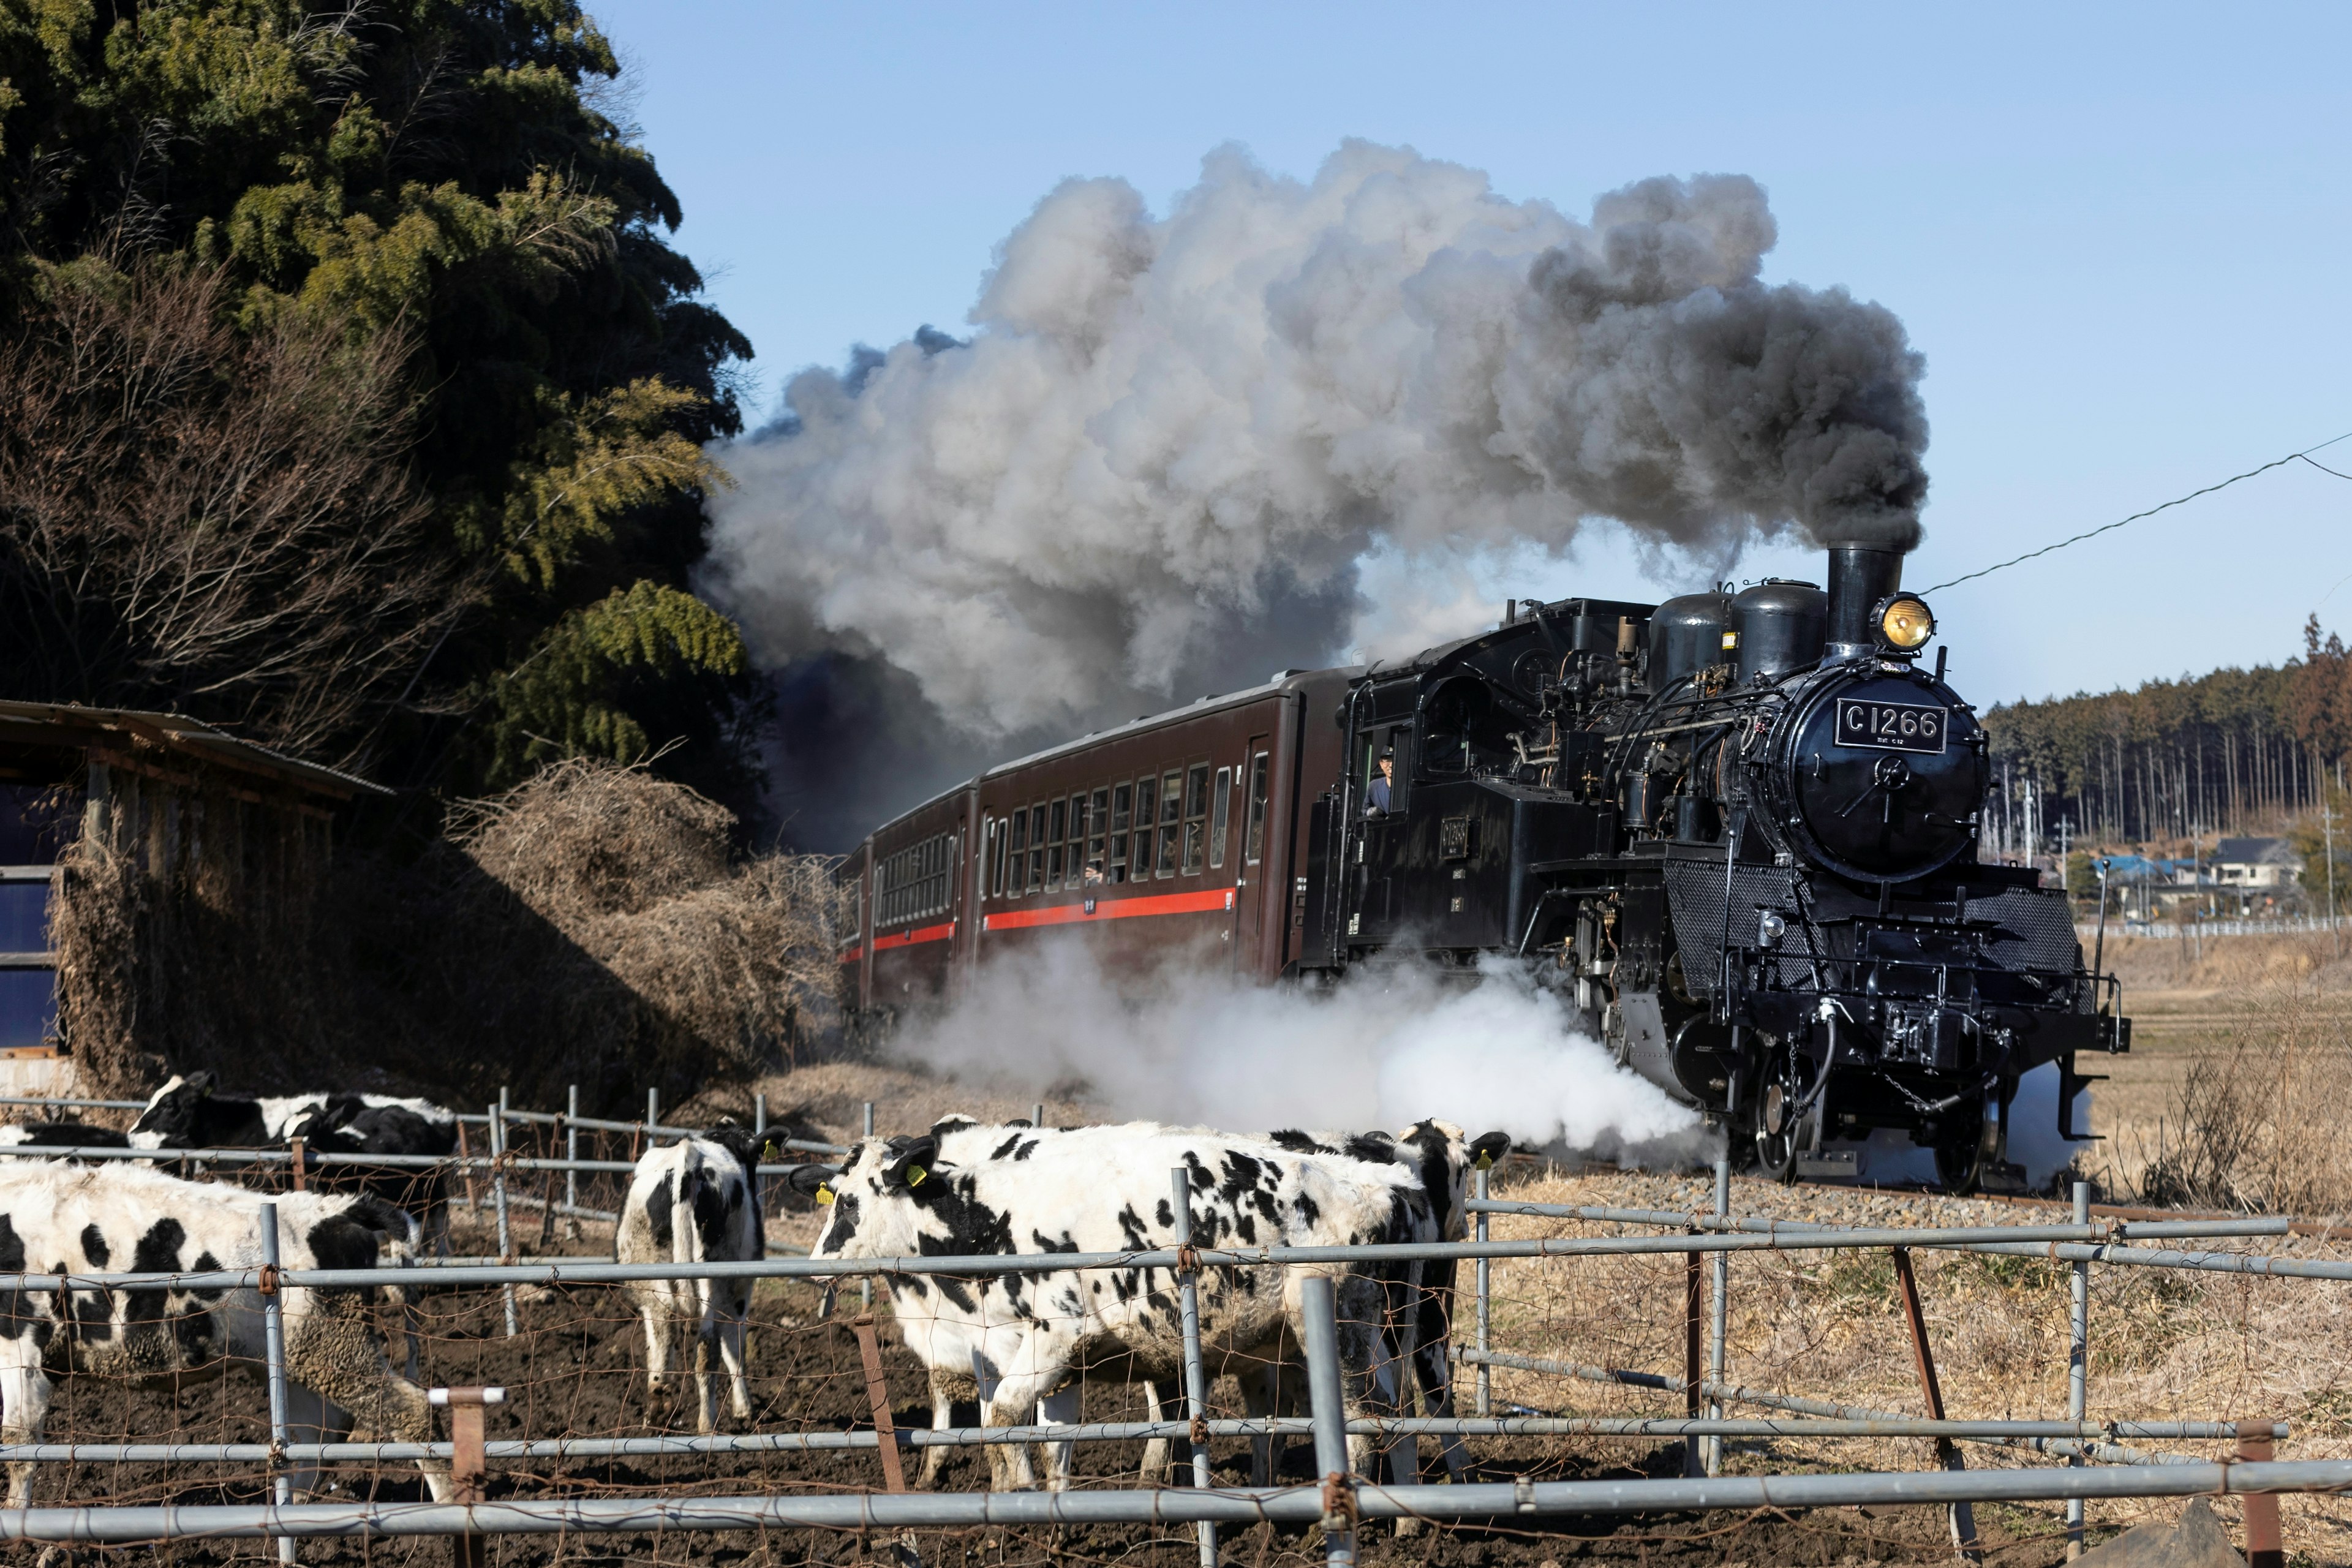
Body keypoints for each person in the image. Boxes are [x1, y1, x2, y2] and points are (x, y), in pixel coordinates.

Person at [1366, 748, 1395, 815]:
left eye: (1394, 760)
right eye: (1387, 761)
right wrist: (1371, 812)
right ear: (1381, 764)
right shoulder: (1374, 786)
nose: (1391, 765)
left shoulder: (1406, 786)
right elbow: (1365, 809)